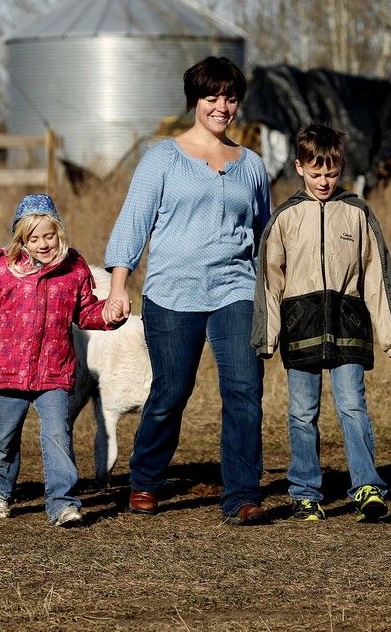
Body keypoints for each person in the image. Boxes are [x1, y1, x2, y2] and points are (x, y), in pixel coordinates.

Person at [102, 56, 272, 525]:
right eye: (211, 97)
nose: (222, 107)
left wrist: (274, 293)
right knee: (172, 391)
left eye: (230, 98)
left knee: (244, 389)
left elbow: (265, 237)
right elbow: (133, 223)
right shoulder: (162, 158)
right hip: (172, 292)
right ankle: (145, 477)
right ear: (194, 101)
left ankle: (241, 494)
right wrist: (119, 286)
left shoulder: (252, 166)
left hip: (236, 289)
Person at [252, 123, 391, 522]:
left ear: (341, 168)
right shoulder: (285, 217)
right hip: (300, 328)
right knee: (302, 413)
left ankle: (367, 487)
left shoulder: (358, 212)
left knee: (353, 406)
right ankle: (305, 493)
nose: (324, 181)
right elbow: (270, 279)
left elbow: (377, 275)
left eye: (332, 173)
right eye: (316, 173)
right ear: (299, 167)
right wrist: (267, 335)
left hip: (348, 326)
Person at [0, 194, 119, 527]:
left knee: (58, 434)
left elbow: (85, 311)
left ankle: (62, 503)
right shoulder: (3, 270)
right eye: (34, 239)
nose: (43, 244)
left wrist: (108, 315)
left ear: (59, 233)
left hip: (54, 370)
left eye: (49, 236)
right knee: (5, 436)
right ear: (21, 240)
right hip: (10, 370)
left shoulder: (73, 269)